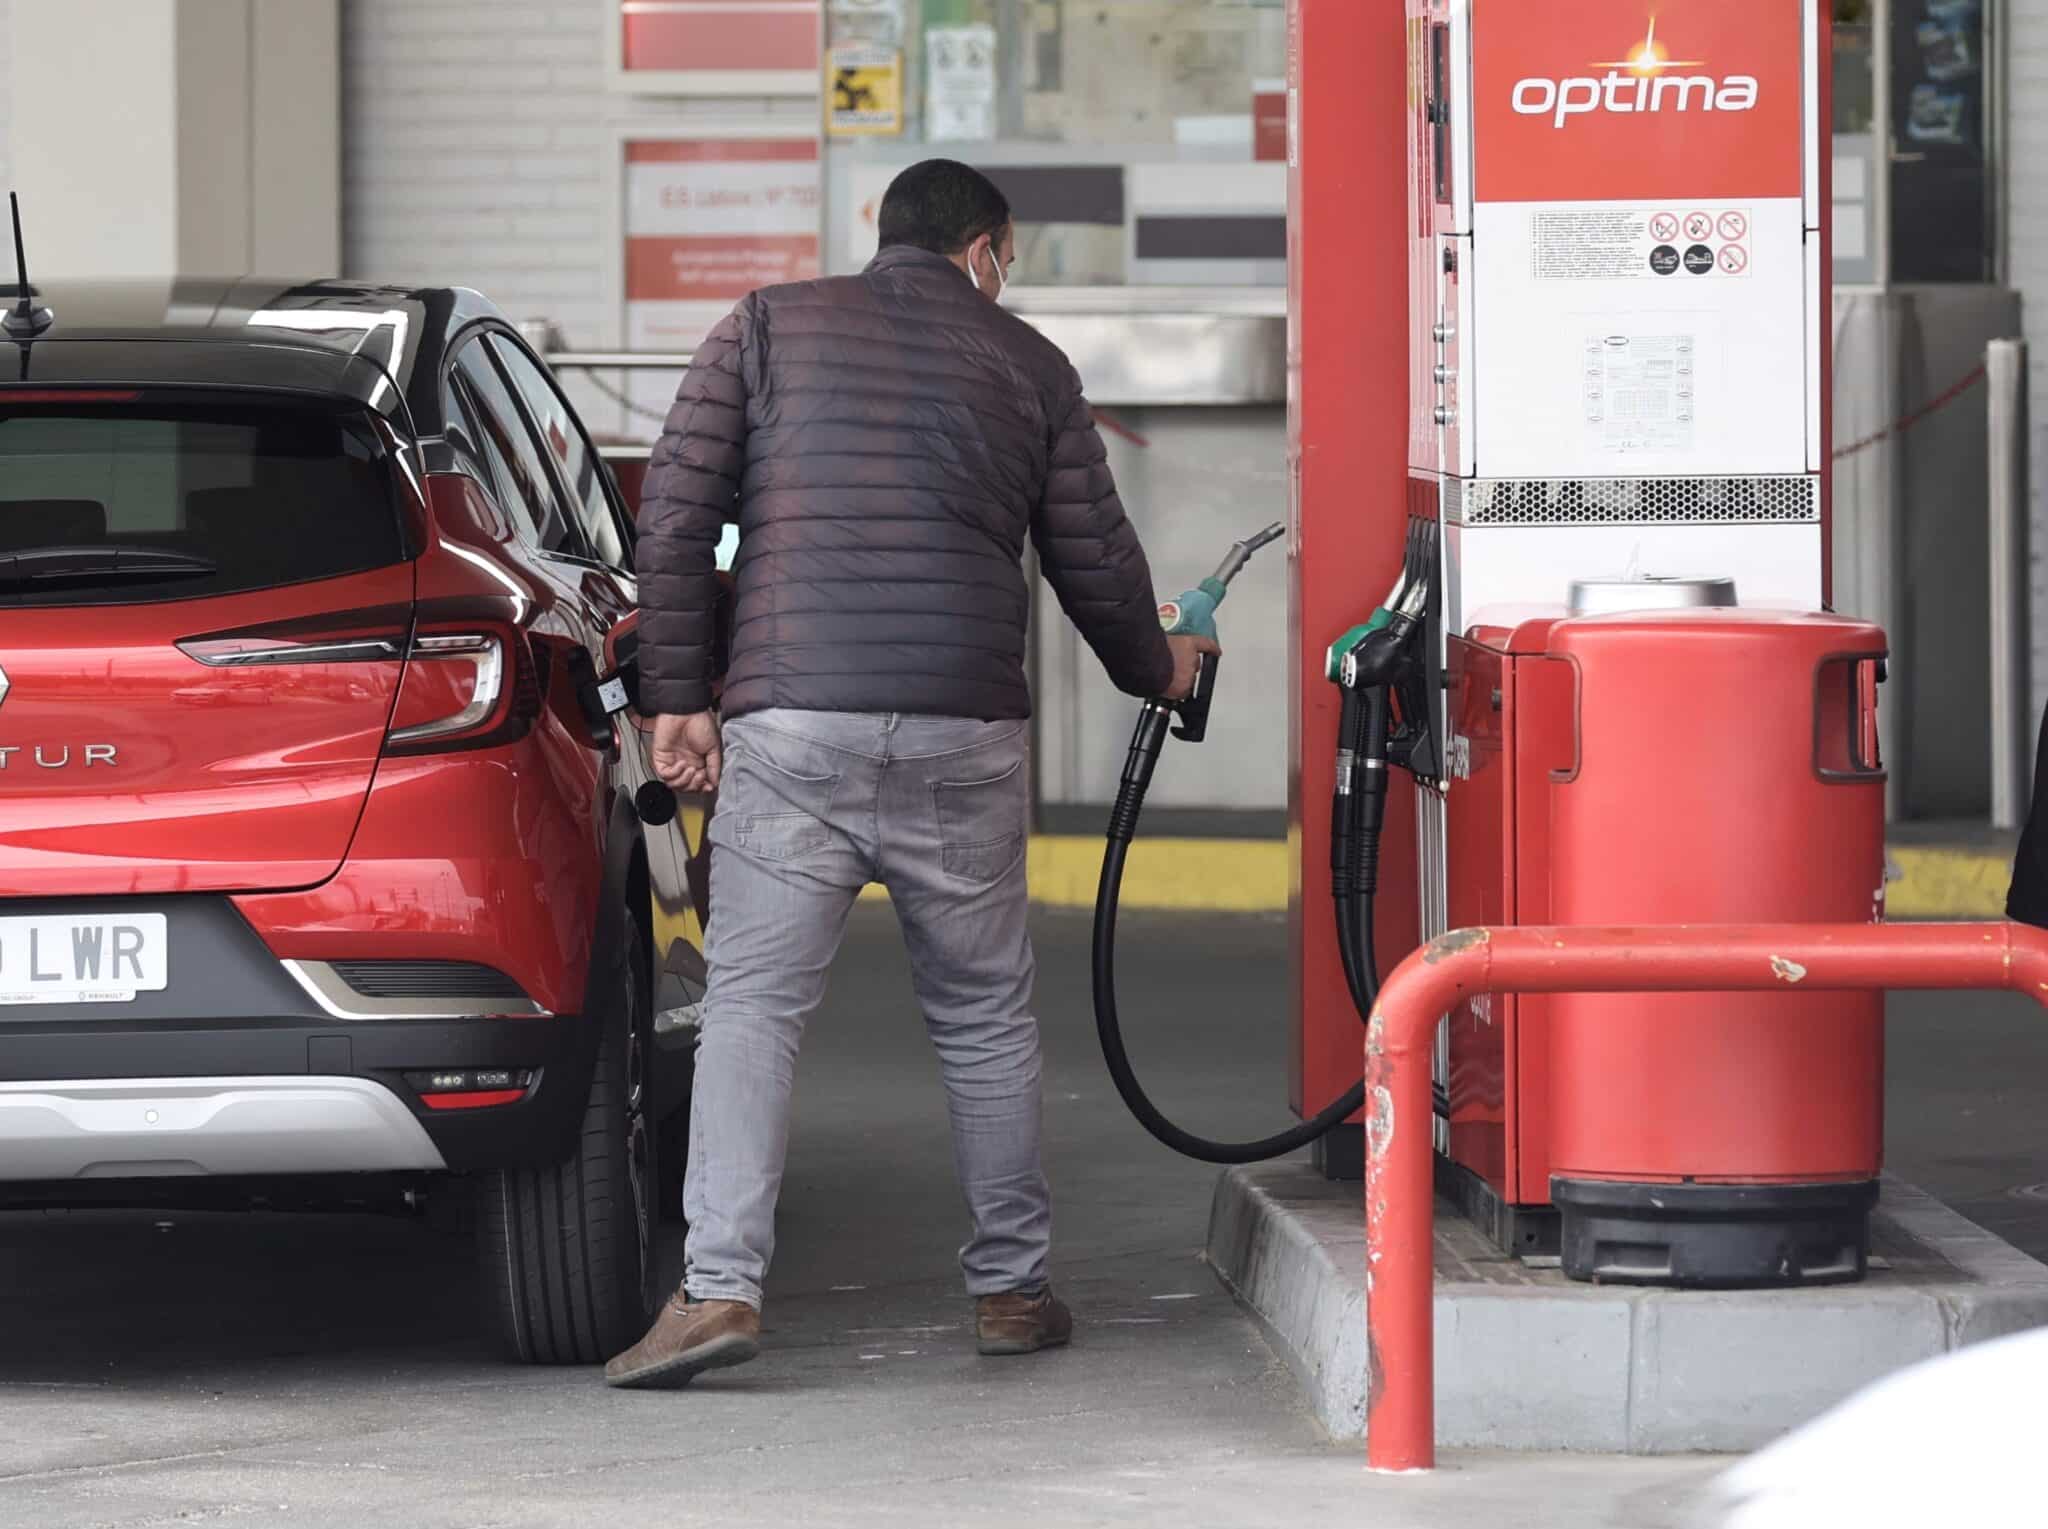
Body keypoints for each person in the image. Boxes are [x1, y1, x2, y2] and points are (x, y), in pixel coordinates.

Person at [606, 159, 1217, 1388]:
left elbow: (673, 514)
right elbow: (1092, 559)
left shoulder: (767, 326)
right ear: (985, 248)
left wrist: (676, 695)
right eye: (1009, 257)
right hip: (960, 725)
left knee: (752, 1010)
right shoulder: (1030, 365)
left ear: (880, 238)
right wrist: (1163, 667)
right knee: (983, 1015)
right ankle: (1008, 1287)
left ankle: (719, 1288)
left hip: (790, 720)